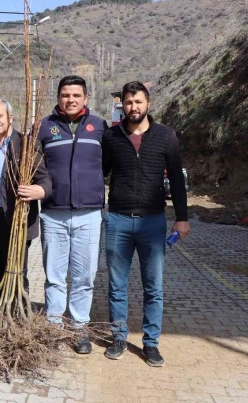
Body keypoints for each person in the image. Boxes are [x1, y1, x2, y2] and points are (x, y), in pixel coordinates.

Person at [102, 81, 190, 367]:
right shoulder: (111, 136)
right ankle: (118, 337)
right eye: (128, 102)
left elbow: (176, 179)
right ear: (122, 105)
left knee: (154, 287)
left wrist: (182, 218)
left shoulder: (166, 136)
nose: (133, 107)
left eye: (138, 101)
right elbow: (99, 173)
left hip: (153, 222)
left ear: (147, 103)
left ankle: (150, 343)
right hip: (118, 220)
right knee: (117, 285)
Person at [37, 75, 108, 354]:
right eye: (65, 95)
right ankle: (53, 328)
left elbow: (111, 163)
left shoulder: (100, 127)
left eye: (76, 95)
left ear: (85, 98)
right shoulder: (44, 126)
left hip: (89, 214)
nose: (70, 100)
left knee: (84, 277)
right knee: (54, 276)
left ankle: (79, 328)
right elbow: (32, 165)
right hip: (53, 214)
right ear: (58, 98)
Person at [0, 99, 52, 296]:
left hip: (15, 220)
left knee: (16, 272)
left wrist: (39, 191)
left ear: (10, 118)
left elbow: (44, 179)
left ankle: (15, 313)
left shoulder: (25, 145)